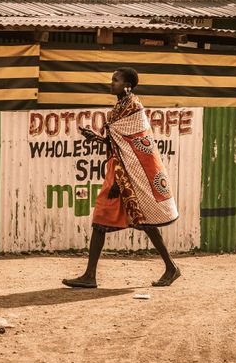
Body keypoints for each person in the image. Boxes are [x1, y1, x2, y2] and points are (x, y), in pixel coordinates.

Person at [62, 67, 181, 289]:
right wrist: (97, 138)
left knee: (110, 219)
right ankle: (170, 267)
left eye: (115, 80)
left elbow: (136, 146)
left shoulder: (133, 108)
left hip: (130, 175)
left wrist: (120, 181)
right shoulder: (117, 110)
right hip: (119, 171)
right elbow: (117, 144)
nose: (111, 83)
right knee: (140, 220)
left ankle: (90, 276)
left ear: (127, 85)